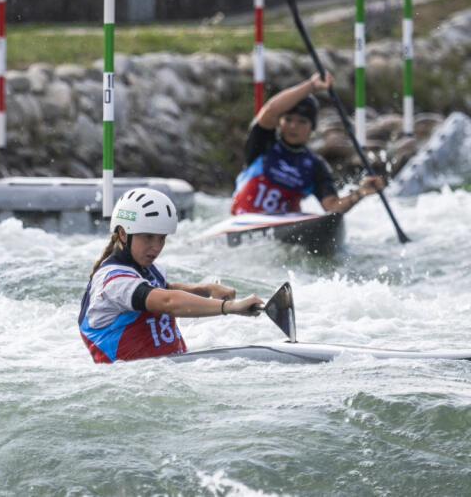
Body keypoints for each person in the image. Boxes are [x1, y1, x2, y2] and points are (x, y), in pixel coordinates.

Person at [79, 189, 264, 363]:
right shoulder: (113, 281)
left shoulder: (147, 268)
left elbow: (163, 289)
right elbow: (167, 301)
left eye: (162, 238)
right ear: (123, 234)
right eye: (148, 237)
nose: (157, 247)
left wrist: (205, 289)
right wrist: (230, 307)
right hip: (135, 384)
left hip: (165, 374)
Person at [231, 71, 385, 215]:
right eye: (288, 119)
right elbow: (270, 110)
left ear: (312, 127)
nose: (293, 126)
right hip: (245, 219)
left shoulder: (315, 165)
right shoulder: (264, 143)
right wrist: (311, 86)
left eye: (302, 122)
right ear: (280, 121)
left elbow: (332, 207)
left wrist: (360, 193)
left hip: (285, 225)